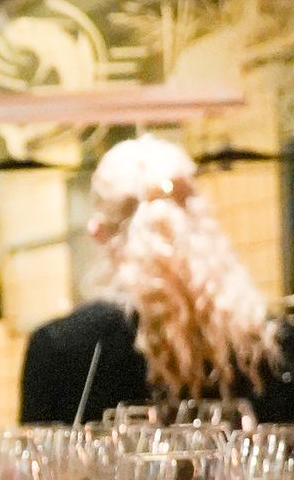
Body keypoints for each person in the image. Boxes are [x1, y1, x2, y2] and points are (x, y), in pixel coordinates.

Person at [19, 134, 294, 423]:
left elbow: (37, 463)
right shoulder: (272, 343)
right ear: (204, 218)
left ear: (98, 233)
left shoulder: (58, 348)